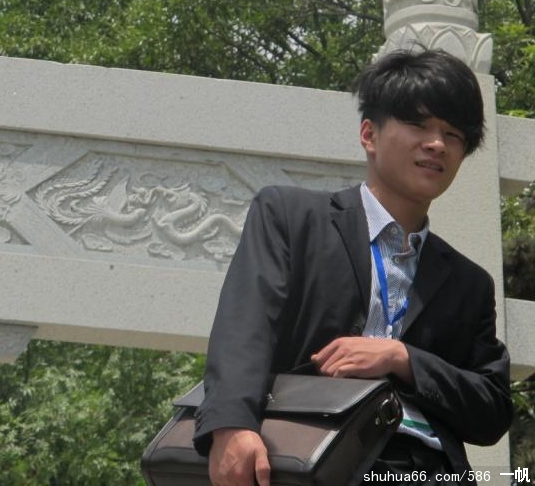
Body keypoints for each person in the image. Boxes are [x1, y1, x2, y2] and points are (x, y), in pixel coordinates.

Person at [194, 49, 512, 485]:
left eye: (453, 134)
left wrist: (403, 359)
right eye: (418, 124)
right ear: (369, 134)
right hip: (310, 456)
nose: (437, 143)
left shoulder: (470, 283)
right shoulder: (290, 218)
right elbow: (244, 326)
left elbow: (492, 408)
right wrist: (231, 426)